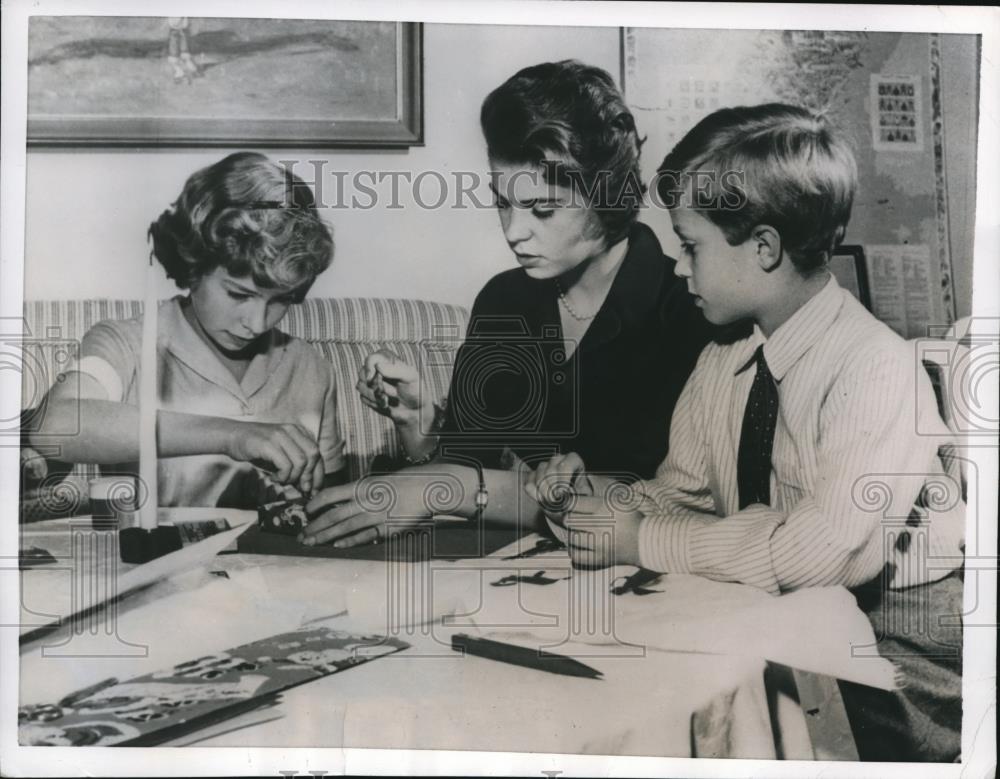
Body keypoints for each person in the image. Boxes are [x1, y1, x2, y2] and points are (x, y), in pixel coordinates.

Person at [529, 104, 965, 762]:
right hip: (794, 620)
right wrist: (599, 502)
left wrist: (641, 539)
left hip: (901, 646)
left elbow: (823, 556)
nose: (679, 268)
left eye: (692, 246)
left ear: (763, 248)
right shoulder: (722, 360)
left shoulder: (876, 364)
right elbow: (683, 496)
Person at [302, 60, 715, 548]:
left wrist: (452, 490)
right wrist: (421, 426)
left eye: (543, 209)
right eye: (503, 202)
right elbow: (462, 470)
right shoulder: (504, 300)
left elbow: (670, 501)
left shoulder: (689, 310)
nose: (515, 232)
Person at [32, 152, 346, 508]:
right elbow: (54, 424)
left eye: (281, 300)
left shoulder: (310, 366)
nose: (257, 323)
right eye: (238, 294)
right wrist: (234, 436)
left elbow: (329, 505)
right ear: (194, 266)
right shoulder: (127, 342)